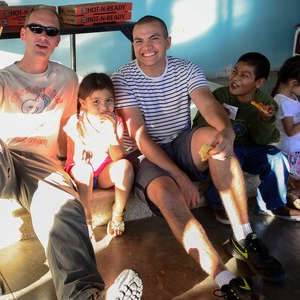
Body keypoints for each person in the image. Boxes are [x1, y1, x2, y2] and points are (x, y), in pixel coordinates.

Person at [0, 6, 143, 300]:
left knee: (66, 209)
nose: (43, 35)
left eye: (51, 31)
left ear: (58, 40)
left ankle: (84, 294)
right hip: (4, 159)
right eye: (36, 28)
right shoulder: (3, 77)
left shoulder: (68, 78)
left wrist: (74, 162)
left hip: (42, 167)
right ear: (23, 33)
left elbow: (73, 124)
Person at [112, 15, 285, 299]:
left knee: (216, 139)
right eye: (139, 41)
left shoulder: (186, 68)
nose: (147, 47)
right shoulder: (122, 78)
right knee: (168, 194)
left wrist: (226, 131)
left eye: (154, 38)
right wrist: (180, 178)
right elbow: (141, 138)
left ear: (167, 41)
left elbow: (207, 103)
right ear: (133, 45)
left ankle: (244, 236)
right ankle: (223, 277)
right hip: (145, 156)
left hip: (181, 142)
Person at [193, 52, 300, 222]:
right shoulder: (219, 96)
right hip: (228, 147)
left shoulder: (266, 104)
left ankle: (271, 205)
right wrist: (216, 119)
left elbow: (263, 140)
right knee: (227, 159)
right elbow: (197, 126)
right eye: (235, 72)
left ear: (259, 83)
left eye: (244, 75)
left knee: (278, 158)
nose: (235, 78)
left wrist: (265, 120)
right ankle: (220, 204)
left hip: (252, 149)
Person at [64, 73, 134, 242]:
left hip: (103, 174)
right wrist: (83, 153)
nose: (104, 106)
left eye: (109, 100)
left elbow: (118, 157)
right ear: (83, 103)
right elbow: (77, 158)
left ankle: (117, 212)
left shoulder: (115, 121)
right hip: (81, 174)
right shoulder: (76, 122)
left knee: (125, 166)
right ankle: (86, 219)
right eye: (96, 101)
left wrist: (111, 133)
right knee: (83, 169)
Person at [272, 55, 300, 211]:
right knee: (292, 180)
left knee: (295, 181)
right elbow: (290, 131)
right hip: (289, 151)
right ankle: (286, 201)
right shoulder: (282, 101)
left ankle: (290, 197)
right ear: (294, 83)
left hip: (296, 148)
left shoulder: (293, 97)